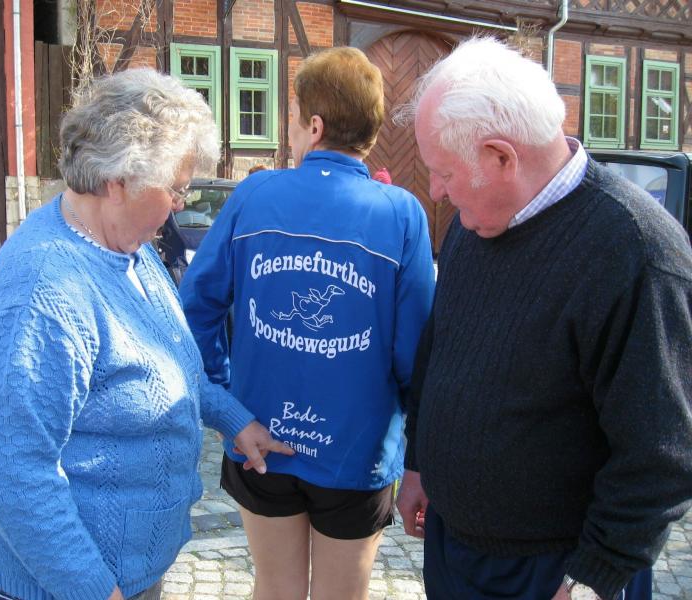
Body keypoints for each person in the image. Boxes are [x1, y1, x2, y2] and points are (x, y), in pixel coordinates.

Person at [0, 68, 292, 600]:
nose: (180, 204)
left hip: (128, 569)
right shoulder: (39, 292)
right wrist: (94, 589)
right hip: (61, 586)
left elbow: (169, 365)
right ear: (119, 182)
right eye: (175, 188)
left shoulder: (130, 250)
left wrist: (232, 418)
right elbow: (5, 468)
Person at [395, 36, 692, 600]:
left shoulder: (635, 251)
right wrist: (419, 462)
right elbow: (440, 352)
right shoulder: (474, 223)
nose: (434, 192)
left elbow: (661, 452)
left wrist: (595, 577)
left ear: (502, 157)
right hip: (456, 547)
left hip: (558, 570)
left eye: (445, 173)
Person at [179, 46, 436, 600]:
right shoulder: (402, 214)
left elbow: (195, 308)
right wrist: (414, 450)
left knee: (275, 588)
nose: (292, 130)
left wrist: (224, 400)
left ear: (314, 126)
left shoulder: (255, 194)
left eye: (293, 118)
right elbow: (416, 355)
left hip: (259, 437)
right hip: (355, 449)